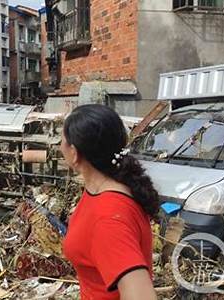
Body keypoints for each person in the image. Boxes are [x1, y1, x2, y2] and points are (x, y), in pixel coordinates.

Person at [61, 104, 159, 300]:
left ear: (74, 152)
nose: (59, 147)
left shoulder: (108, 217)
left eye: (61, 141)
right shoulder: (111, 190)